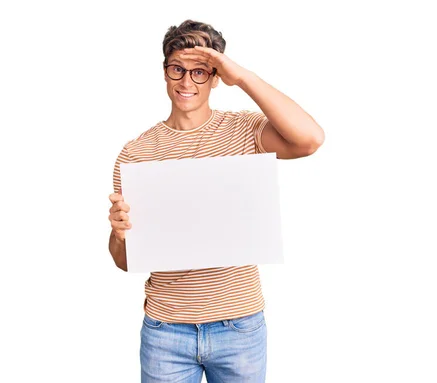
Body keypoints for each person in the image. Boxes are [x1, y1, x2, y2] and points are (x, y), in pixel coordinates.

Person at [107, 20, 324, 383]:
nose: (187, 82)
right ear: (164, 72)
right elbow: (124, 261)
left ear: (215, 76)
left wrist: (242, 77)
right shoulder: (136, 153)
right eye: (177, 69)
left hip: (238, 326)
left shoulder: (244, 130)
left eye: (200, 71)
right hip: (166, 329)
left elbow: (310, 140)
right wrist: (118, 234)